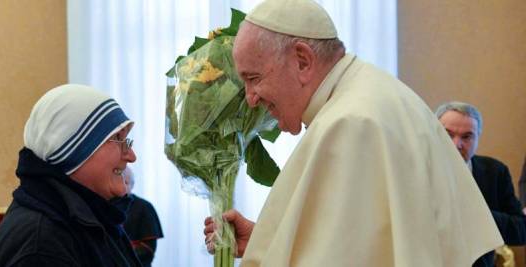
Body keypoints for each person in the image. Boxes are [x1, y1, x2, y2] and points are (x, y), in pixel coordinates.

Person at [202, 0, 502, 266]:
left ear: (302, 61)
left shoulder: (352, 123)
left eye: (253, 78)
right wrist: (264, 241)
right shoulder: (367, 92)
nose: (251, 97)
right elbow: (358, 241)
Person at [0, 84, 142, 267]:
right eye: (118, 139)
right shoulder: (42, 246)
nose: (131, 155)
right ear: (75, 149)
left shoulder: (87, 219)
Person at [436, 101, 526, 267]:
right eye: (448, 134)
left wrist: (477, 213)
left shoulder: (495, 172)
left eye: (467, 136)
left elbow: (520, 231)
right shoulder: (417, 171)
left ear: (478, 137)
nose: (457, 145)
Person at [122, 167, 163, 267]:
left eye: (126, 182)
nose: (122, 186)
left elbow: (147, 249)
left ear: (132, 185)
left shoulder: (144, 207)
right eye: (119, 180)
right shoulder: (105, 205)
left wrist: (119, 253)